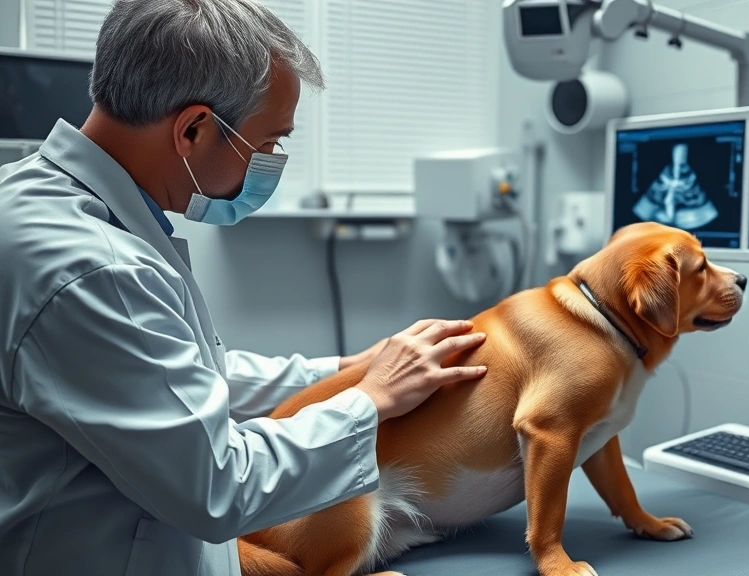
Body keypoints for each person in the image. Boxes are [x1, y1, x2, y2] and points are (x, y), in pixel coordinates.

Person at [0, 1, 488, 575]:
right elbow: (219, 482)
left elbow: (168, 377)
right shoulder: (90, 268)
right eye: (270, 142)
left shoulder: (35, 199)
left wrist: (340, 370)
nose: (273, 161)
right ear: (194, 129)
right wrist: (370, 400)